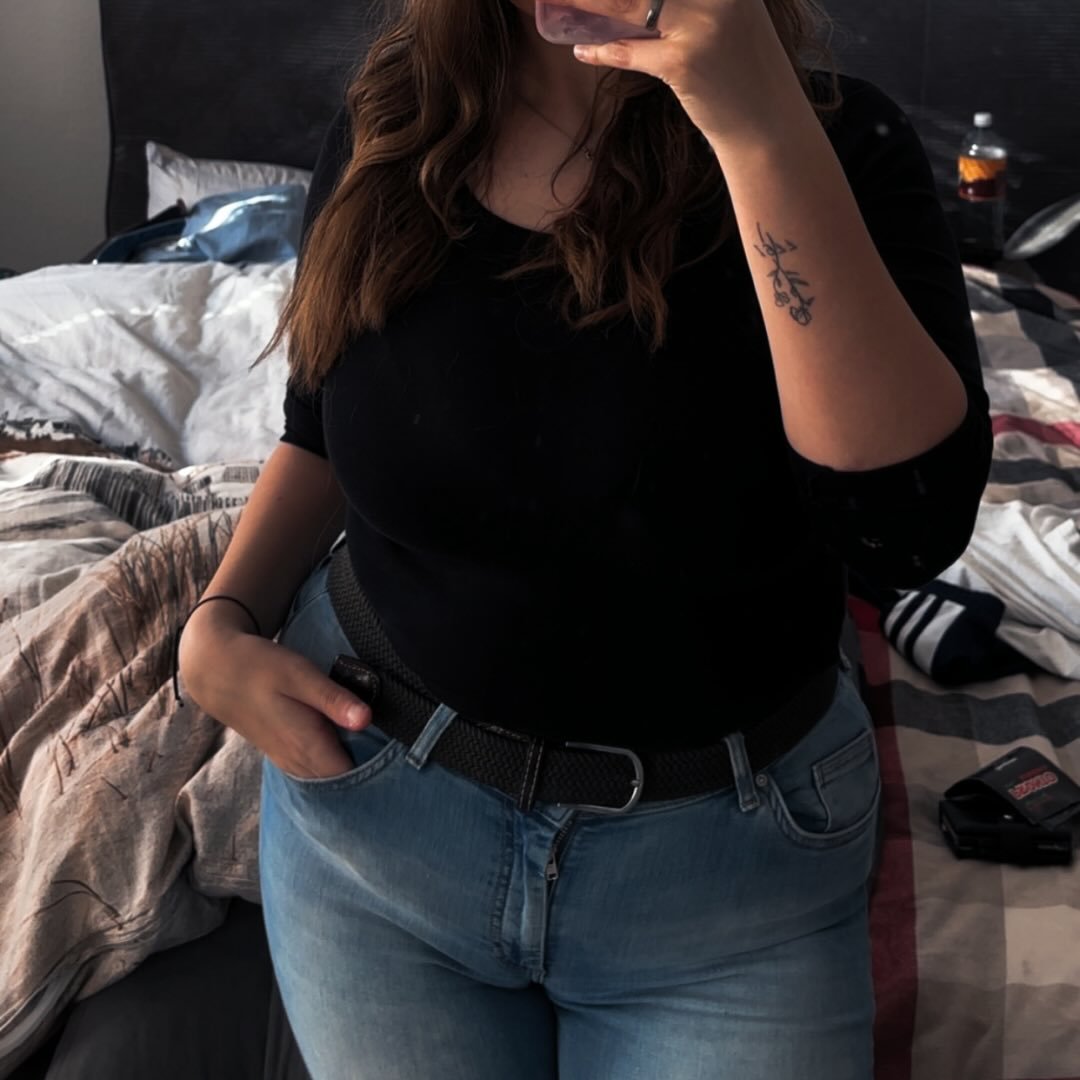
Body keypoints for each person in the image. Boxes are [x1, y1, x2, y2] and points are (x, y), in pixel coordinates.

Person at [177, 0, 992, 1076]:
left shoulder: (842, 143)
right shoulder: (396, 117)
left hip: (730, 884)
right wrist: (222, 620)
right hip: (374, 829)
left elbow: (903, 531)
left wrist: (756, 125)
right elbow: (321, 423)